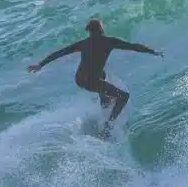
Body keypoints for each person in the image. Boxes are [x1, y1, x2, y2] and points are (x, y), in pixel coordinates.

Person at [28, 18, 162, 133]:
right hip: (92, 82)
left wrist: (41, 64)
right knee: (124, 96)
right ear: (102, 29)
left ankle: (105, 102)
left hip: (79, 79)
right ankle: (108, 125)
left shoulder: (83, 43)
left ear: (89, 31)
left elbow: (61, 52)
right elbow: (133, 46)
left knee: (102, 74)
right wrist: (153, 51)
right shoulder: (109, 41)